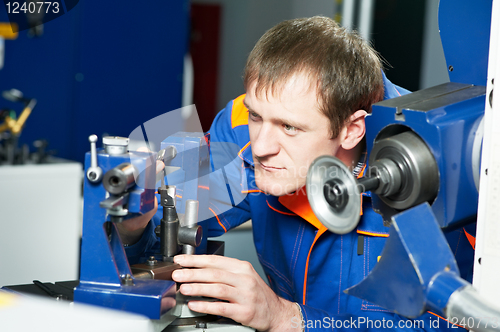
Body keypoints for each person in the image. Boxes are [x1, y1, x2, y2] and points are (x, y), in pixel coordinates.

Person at [118, 16, 475, 331]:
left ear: (352, 130)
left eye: (290, 128)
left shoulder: (450, 173)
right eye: (257, 115)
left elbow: (464, 324)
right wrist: (135, 224)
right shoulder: (244, 128)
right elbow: (167, 244)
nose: (261, 146)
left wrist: (287, 319)